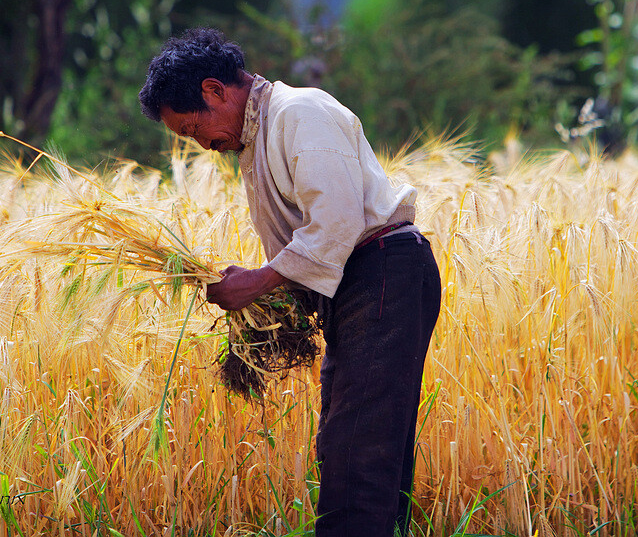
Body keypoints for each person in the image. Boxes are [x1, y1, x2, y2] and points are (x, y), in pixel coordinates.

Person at [138, 28, 441, 537]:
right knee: (362, 443)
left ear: (214, 90)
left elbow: (337, 222)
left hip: (384, 273)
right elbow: (307, 241)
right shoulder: (257, 141)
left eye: (194, 129)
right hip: (361, 285)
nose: (203, 145)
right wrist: (263, 301)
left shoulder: (298, 112)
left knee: (358, 446)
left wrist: (258, 284)